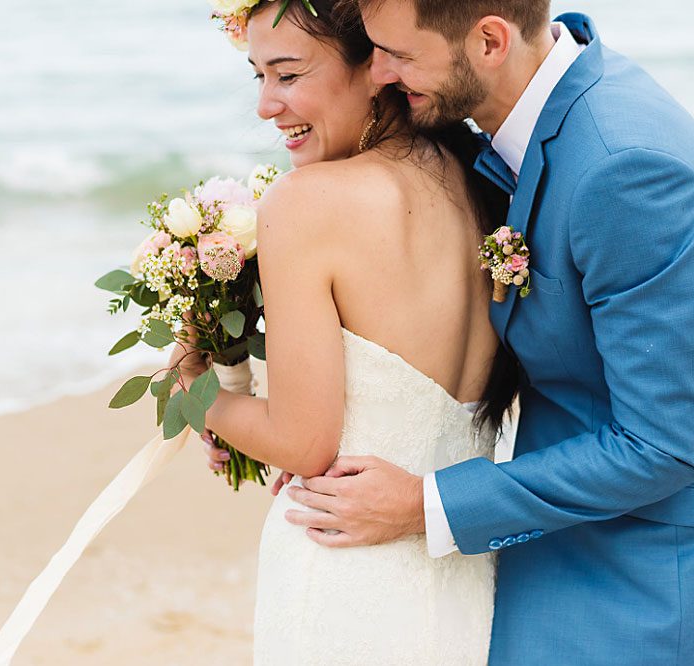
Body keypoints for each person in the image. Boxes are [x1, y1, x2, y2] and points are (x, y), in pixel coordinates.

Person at [277, 1, 694, 663]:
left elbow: (666, 442)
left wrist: (424, 504)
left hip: (625, 585)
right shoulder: (508, 129)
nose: (378, 74)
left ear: (490, 42)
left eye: (400, 55)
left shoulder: (624, 169)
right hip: (534, 547)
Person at [172, 0, 516, 662]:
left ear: (378, 66)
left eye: (289, 73)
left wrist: (190, 392)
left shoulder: (306, 205)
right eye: (258, 77)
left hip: (343, 572)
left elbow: (301, 442)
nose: (267, 106)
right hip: (464, 572)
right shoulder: (482, 184)